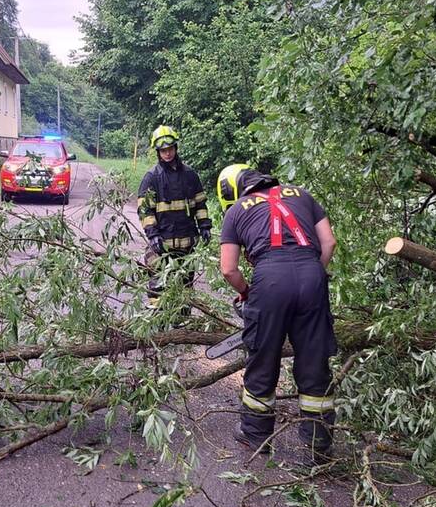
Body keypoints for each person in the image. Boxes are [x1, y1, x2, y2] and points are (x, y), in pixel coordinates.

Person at [216, 163, 338, 462]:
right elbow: (329, 242)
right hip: (312, 275)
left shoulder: (236, 211)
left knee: (263, 358)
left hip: (269, 280)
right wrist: (311, 276)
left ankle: (256, 436)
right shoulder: (302, 194)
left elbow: (229, 269)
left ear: (232, 191)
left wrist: (246, 292)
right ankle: (317, 445)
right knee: (314, 359)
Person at [137, 125, 211, 303]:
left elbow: (200, 203)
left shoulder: (190, 175)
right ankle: (158, 325)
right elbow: (145, 210)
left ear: (175, 148)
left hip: (187, 244)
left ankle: (183, 326)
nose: (167, 154)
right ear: (158, 152)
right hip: (161, 246)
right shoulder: (151, 178)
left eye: (169, 149)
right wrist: (153, 236)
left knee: (185, 286)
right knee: (158, 287)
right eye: (163, 151)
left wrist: (205, 226)